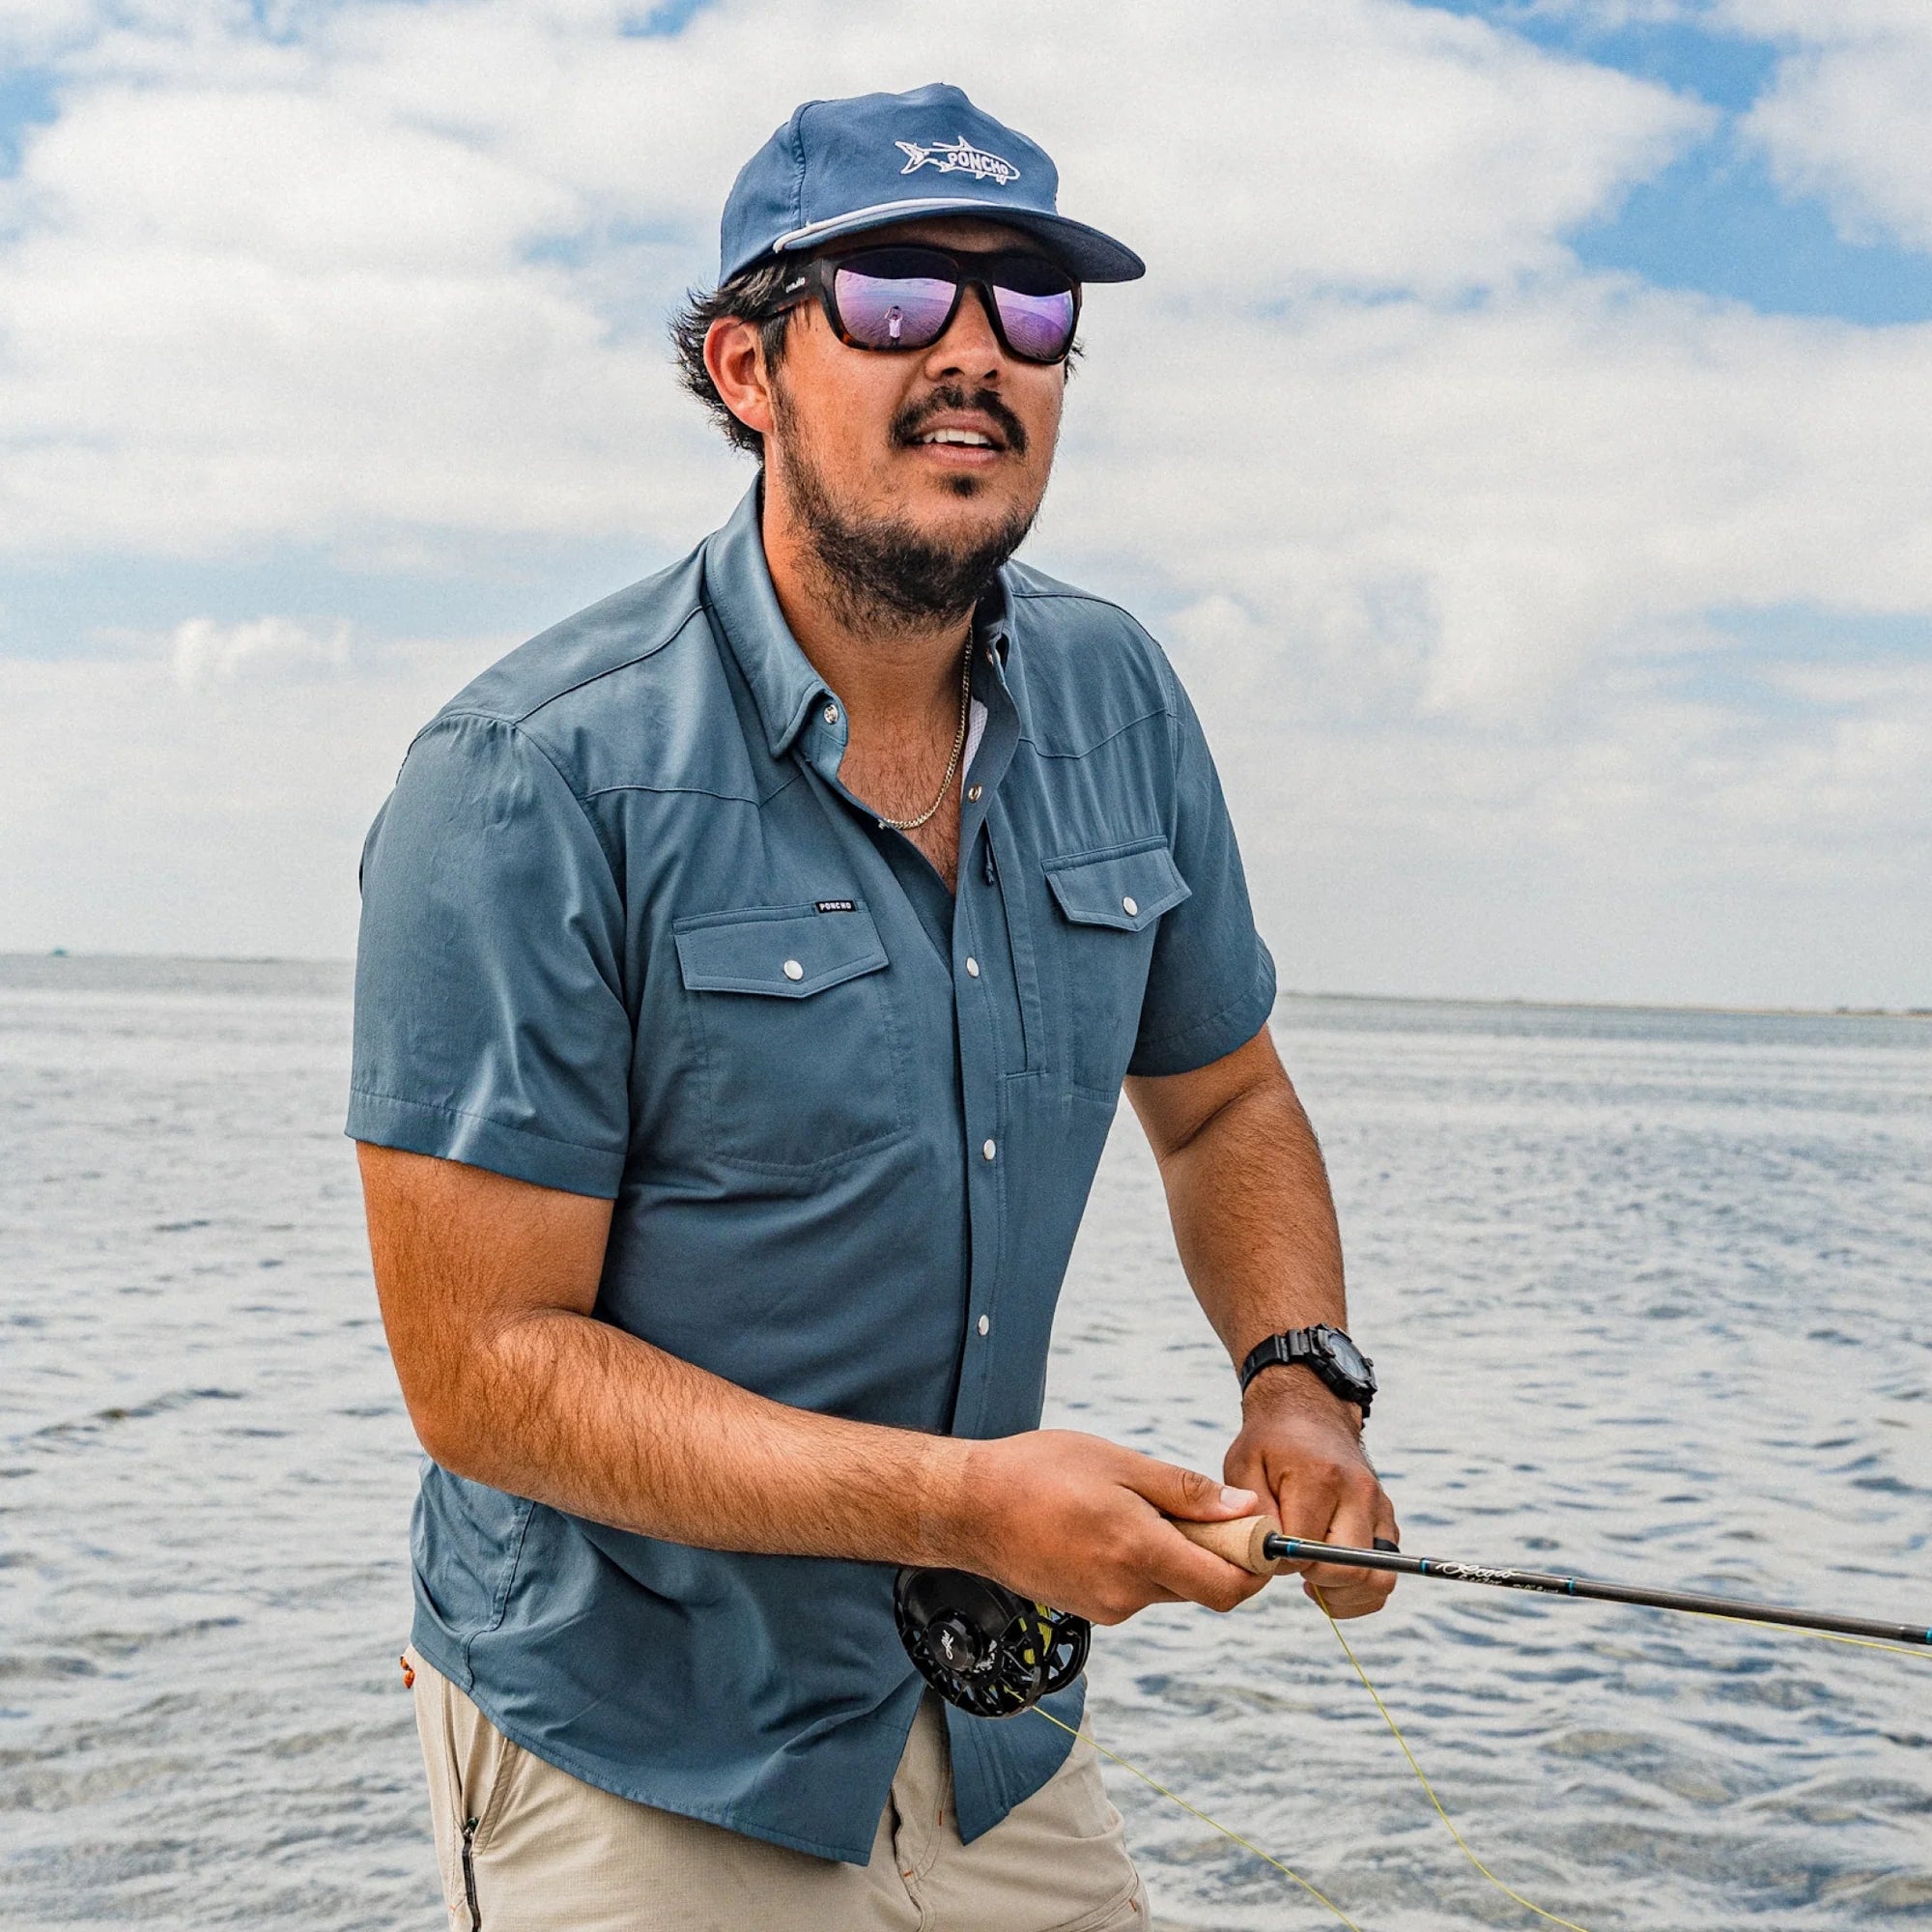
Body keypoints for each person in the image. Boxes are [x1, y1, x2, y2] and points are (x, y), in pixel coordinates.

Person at [350, 81, 1398, 1932]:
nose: (979, 354)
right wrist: (966, 1505)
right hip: (635, 1747)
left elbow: (1223, 1100)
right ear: (748, 367)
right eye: (902, 298)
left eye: (1036, 310)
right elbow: (482, 1371)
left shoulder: (1123, 697)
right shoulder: (525, 775)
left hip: (999, 1727)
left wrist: (1299, 1383)